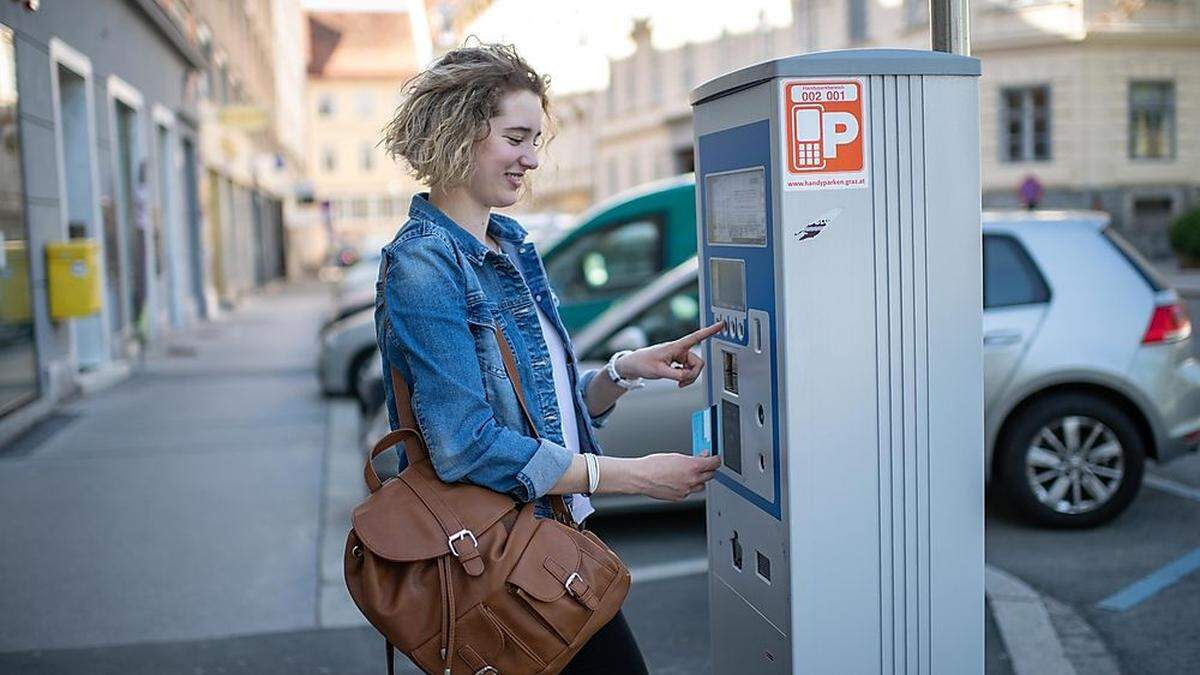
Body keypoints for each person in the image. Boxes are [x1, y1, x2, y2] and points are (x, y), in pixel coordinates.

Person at [375, 43, 722, 673]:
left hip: (554, 536)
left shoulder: (507, 243)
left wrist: (620, 373)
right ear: (457, 134)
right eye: (515, 137)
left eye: (535, 139)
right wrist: (634, 476)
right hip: (502, 555)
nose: (531, 159)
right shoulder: (425, 263)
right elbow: (467, 445)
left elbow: (533, 411)